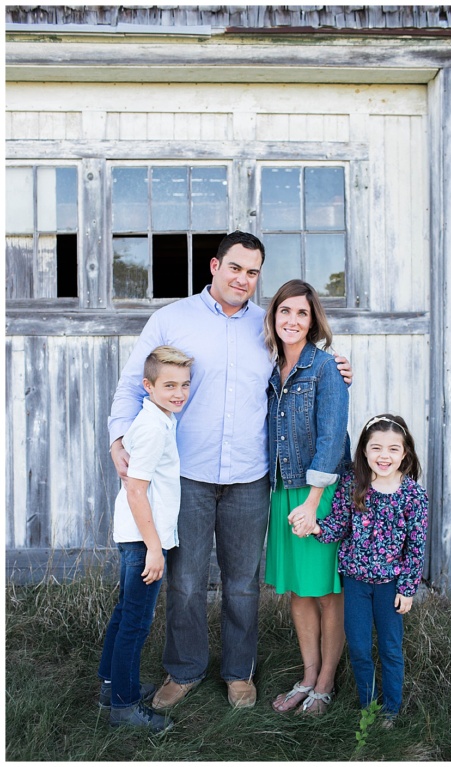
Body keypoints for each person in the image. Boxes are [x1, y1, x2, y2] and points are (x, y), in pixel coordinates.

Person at [107, 231, 353, 710]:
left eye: (253, 272)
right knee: (185, 580)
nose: (243, 278)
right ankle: (184, 671)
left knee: (243, 583)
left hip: (250, 476)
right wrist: (118, 438)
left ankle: (240, 672)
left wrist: (336, 367)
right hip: (188, 475)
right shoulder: (171, 319)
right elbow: (131, 385)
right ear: (215, 267)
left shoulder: (267, 326)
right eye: (235, 268)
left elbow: (303, 370)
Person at [304, 414, 429, 724]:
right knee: (359, 647)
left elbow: (416, 546)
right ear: (363, 451)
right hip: (356, 582)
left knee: (389, 647)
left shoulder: (413, 495)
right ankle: (368, 706)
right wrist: (314, 527)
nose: (383, 456)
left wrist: (407, 588)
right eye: (376, 448)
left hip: (391, 585)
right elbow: (338, 525)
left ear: (405, 453)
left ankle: (390, 710)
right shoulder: (353, 484)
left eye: (392, 449)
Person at [263, 280, 349, 715]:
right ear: (273, 316)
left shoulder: (324, 367)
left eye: (302, 313)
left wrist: (314, 503)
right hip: (284, 490)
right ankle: (308, 672)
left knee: (326, 592)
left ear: (313, 320)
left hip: (321, 491)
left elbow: (332, 437)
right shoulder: (268, 367)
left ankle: (327, 681)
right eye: (285, 312)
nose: (292, 320)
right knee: (299, 590)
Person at [99, 346, 193, 733]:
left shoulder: (159, 418)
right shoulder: (153, 426)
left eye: (185, 385)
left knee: (125, 612)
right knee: (136, 621)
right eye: (169, 385)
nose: (179, 393)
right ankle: (123, 706)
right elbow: (137, 491)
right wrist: (155, 548)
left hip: (138, 536)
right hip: (143, 540)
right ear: (148, 385)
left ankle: (111, 685)